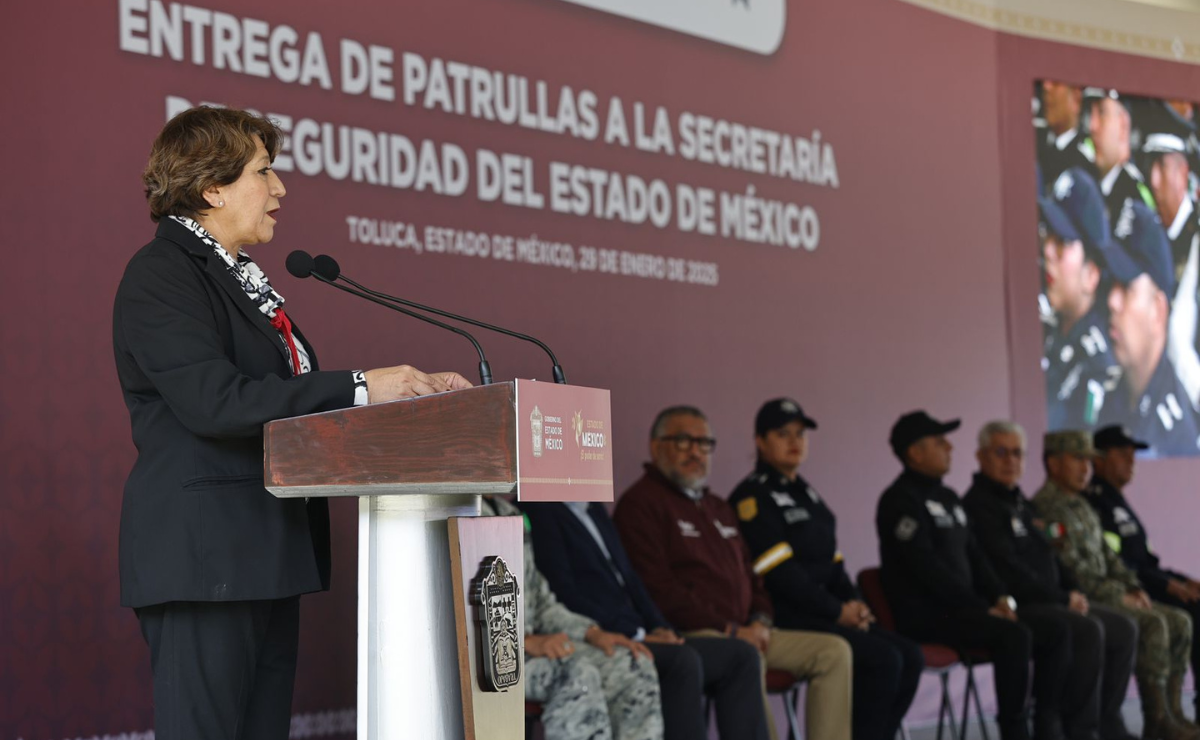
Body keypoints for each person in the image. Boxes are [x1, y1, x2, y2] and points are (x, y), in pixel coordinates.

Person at [113, 107, 472, 739]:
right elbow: (216, 402)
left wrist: (405, 400)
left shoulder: (239, 279)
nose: (280, 189)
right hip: (208, 560)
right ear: (212, 187)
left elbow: (284, 404)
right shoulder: (162, 273)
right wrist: (361, 385)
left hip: (265, 550)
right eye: (264, 172)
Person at [613, 406, 852, 740]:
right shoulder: (640, 505)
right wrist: (730, 630)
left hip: (747, 629)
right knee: (745, 657)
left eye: (704, 443)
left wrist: (761, 620)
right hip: (694, 632)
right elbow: (657, 589)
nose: (696, 452)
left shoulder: (718, 507)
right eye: (683, 441)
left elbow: (754, 576)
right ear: (656, 447)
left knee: (833, 652)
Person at [727, 398, 922, 740]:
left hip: (827, 612)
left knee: (910, 655)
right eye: (783, 434)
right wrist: (837, 611)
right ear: (760, 441)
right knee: (883, 660)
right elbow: (781, 575)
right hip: (788, 614)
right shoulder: (753, 497)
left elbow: (833, 563)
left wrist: (855, 604)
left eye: (800, 434)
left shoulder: (808, 495)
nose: (795, 441)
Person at [876, 410, 1070, 740]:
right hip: (929, 615)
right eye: (940, 442)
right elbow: (929, 571)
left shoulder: (949, 497)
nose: (949, 448)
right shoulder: (899, 501)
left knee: (1056, 629)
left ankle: (1047, 725)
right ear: (915, 452)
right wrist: (982, 608)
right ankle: (1014, 729)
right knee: (1014, 636)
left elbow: (976, 557)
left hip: (967, 610)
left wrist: (1000, 598)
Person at [520, 499, 770, 740]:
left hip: (627, 630)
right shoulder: (538, 509)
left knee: (742, 656)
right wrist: (634, 634)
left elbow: (631, 579)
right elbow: (565, 594)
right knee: (679, 661)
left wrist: (659, 626)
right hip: (608, 632)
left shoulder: (594, 508)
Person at [963, 421, 1138, 740]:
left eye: (1017, 453)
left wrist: (1072, 591)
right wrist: (1062, 598)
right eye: (1001, 452)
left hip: (1050, 600)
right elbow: (1008, 570)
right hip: (1018, 604)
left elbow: (1052, 557)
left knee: (1123, 627)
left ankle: (1105, 722)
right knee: (1084, 629)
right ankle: (1066, 727)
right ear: (980, 456)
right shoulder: (978, 506)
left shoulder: (1021, 503)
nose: (1010, 461)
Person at [1033, 431, 1199, 740]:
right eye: (1078, 459)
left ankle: (1172, 714)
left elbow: (1110, 558)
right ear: (1053, 464)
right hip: (1087, 599)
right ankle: (1155, 719)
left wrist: (1133, 587)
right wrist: (1119, 594)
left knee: (1179, 621)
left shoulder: (1081, 505)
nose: (1086, 467)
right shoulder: (1047, 507)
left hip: (1110, 592)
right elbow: (1071, 571)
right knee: (1153, 623)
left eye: (1088, 460)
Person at [480, 496, 665, 740]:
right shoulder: (461, 509)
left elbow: (542, 602)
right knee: (576, 673)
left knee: (633, 664)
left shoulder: (508, 512)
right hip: (489, 656)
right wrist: (524, 641)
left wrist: (591, 632)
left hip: (530, 647)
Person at [1088, 424, 1200, 718]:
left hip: (1147, 584)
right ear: (1098, 459)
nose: (1131, 460)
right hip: (1126, 591)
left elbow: (1146, 562)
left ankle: (1175, 712)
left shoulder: (1117, 501)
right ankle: (1163, 716)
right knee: (1190, 613)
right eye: (1122, 453)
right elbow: (1120, 565)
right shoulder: (1094, 503)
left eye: (1132, 454)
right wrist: (1167, 585)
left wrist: (1182, 580)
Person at [1098, 198, 1200, 456]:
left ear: (1158, 311)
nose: (1112, 301)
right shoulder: (1114, 396)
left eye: (1126, 288)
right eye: (1111, 284)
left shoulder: (1176, 441)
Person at [1039, 167, 1121, 429]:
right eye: (1048, 235)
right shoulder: (1045, 322)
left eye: (1062, 242)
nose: (1047, 250)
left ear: (1091, 274)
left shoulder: (1098, 368)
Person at [1144, 130, 1200, 408]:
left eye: (1162, 168)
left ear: (1182, 173)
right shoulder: (1149, 237)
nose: (1154, 181)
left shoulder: (1195, 234)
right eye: (1151, 169)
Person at [1078, 88, 1155, 220]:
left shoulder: (1135, 196)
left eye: (1102, 113)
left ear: (1123, 126)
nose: (1092, 126)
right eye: (1090, 113)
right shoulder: (1085, 179)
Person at [1037, 80, 1089, 188]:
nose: (1046, 87)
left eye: (1055, 82)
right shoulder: (1034, 142)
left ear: (1076, 98)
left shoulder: (1085, 161)